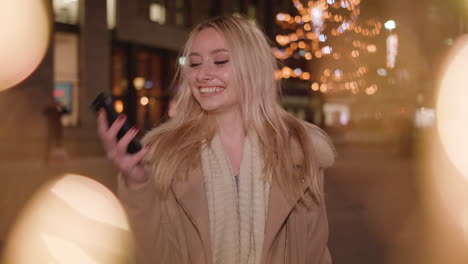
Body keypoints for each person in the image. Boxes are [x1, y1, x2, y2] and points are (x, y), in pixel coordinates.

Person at [97, 15, 335, 264]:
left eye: (220, 61)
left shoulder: (299, 150)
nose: (203, 75)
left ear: (253, 66)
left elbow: (315, 254)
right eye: (195, 64)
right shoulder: (164, 155)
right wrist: (137, 185)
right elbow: (155, 256)